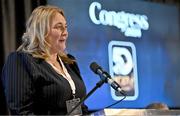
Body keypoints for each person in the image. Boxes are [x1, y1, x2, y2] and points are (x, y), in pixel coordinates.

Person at [1, 5, 88, 115]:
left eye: (65, 27)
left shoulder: (69, 62)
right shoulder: (20, 61)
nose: (65, 32)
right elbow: (21, 112)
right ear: (41, 31)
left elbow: (80, 106)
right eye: (58, 27)